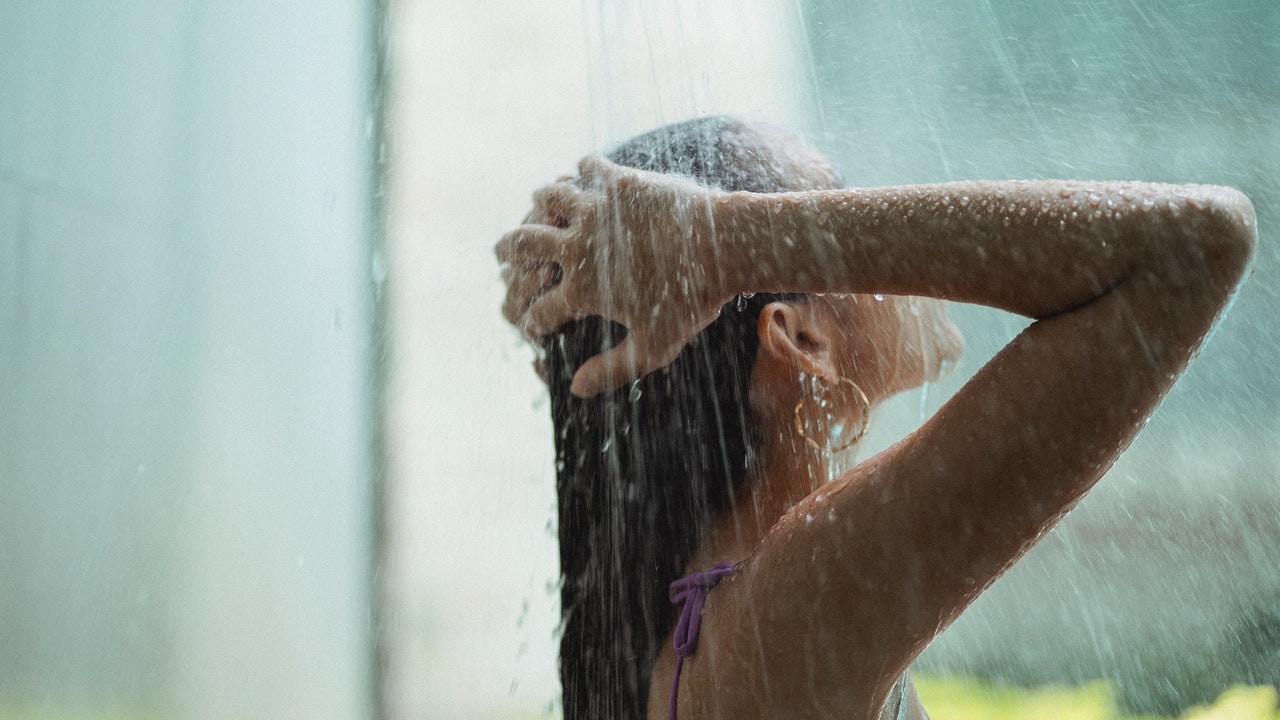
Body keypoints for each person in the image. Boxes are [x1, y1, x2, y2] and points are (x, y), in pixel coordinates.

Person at [495, 117, 1256, 720]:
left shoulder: (723, 619)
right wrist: (724, 238)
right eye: (823, 211)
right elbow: (1195, 242)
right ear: (801, 341)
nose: (874, 237)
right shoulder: (794, 599)